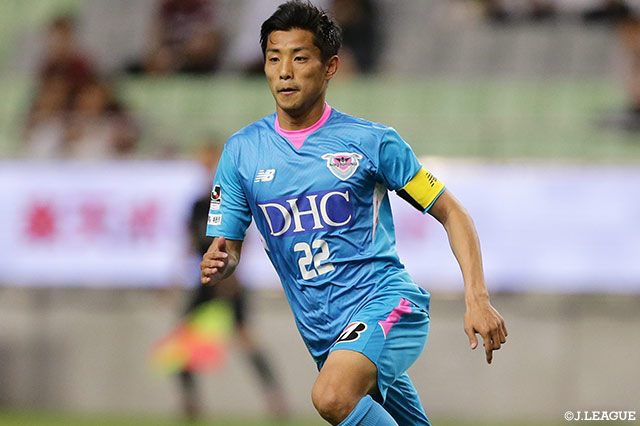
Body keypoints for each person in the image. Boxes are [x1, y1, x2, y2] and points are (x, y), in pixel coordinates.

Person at [200, 2, 508, 425]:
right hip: (325, 334)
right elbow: (228, 247)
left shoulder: (372, 142)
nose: (285, 72)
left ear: (330, 67)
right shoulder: (242, 152)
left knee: (332, 395)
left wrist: (477, 299)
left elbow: (453, 213)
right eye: (274, 59)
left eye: (299, 58)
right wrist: (222, 261)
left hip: (387, 306)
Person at [179, 142, 289, 421]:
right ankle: (191, 402)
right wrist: (174, 277)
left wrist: (233, 272)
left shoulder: (230, 198)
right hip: (206, 280)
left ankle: (275, 398)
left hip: (228, 281)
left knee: (246, 339)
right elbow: (189, 243)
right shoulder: (197, 205)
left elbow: (240, 238)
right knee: (184, 341)